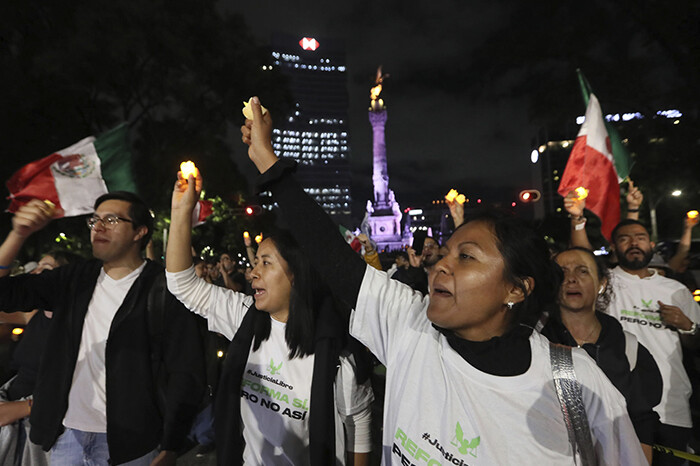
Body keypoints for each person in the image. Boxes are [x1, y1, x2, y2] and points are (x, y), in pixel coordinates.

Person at [240, 97, 646, 464]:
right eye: (445, 253)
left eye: (465, 257)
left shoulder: (578, 388)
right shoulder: (410, 327)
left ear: (516, 289)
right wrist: (268, 164)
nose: (440, 267)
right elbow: (330, 255)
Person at [166, 172, 374, 465]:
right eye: (255, 262)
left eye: (266, 263)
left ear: (297, 275)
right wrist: (181, 211)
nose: (253, 273)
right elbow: (181, 284)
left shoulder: (338, 356)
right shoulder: (244, 318)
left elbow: (358, 429)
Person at [0, 195, 206, 465]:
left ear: (139, 232)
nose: (98, 226)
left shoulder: (164, 289)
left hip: (133, 447)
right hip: (66, 439)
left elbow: (185, 372)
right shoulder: (74, 279)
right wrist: (18, 234)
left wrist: (171, 445)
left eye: (111, 219)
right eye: (94, 219)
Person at [540, 247, 663, 463]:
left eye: (582, 271)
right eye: (562, 272)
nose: (571, 279)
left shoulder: (629, 348)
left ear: (601, 284)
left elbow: (641, 421)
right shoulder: (536, 343)